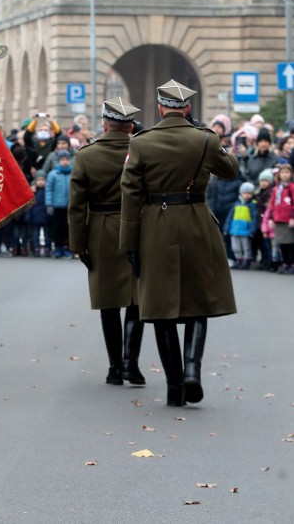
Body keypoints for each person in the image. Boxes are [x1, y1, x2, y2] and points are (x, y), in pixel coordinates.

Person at [120, 79, 238, 407]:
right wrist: (208, 137)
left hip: (156, 226)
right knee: (198, 301)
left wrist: (129, 243)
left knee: (160, 309)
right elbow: (231, 171)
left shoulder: (142, 143)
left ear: (160, 108)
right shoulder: (205, 139)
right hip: (197, 221)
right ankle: (191, 372)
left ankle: (174, 388)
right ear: (187, 108)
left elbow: (130, 194)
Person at [69, 98, 144, 386]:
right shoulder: (141, 150)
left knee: (108, 301)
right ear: (131, 126)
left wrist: (78, 244)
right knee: (136, 299)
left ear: (104, 124)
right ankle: (130, 364)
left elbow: (76, 205)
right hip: (137, 228)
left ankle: (114, 368)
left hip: (100, 229)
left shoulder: (86, 156)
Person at [263, 162, 294, 274]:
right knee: (282, 243)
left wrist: (292, 217)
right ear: (279, 175)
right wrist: (271, 218)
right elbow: (272, 205)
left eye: (287, 172)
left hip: (288, 220)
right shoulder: (277, 189)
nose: (285, 175)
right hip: (278, 219)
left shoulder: (292, 188)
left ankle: (291, 263)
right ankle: (285, 263)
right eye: (283, 172)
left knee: (290, 243)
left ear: (291, 174)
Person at [223, 182, 259, 270]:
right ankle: (239, 260)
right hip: (235, 230)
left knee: (246, 247)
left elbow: (254, 218)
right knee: (236, 247)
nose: (247, 195)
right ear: (241, 193)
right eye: (245, 193)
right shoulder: (236, 204)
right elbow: (230, 217)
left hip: (245, 231)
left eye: (249, 193)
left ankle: (246, 261)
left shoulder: (252, 205)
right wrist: (226, 227)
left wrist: (252, 230)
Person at [45, 150, 72, 258]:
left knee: (67, 228)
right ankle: (58, 247)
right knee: (57, 228)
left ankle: (66, 247)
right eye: (62, 160)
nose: (65, 162)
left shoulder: (73, 172)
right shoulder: (53, 174)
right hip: (57, 206)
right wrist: (49, 204)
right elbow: (49, 190)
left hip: (69, 206)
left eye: (66, 159)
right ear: (58, 161)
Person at [25, 170, 51, 256]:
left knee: (47, 234)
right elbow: (30, 205)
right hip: (35, 217)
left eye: (42, 180)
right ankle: (36, 248)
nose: (40, 182)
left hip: (46, 216)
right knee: (35, 234)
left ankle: (47, 248)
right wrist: (28, 215)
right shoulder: (33, 192)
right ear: (35, 181)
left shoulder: (48, 191)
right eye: (39, 180)